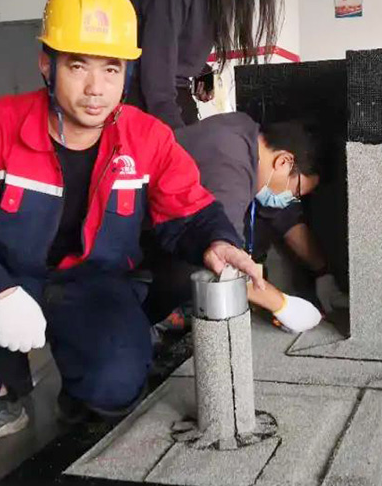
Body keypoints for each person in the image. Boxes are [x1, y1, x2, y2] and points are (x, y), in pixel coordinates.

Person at [0, 0, 260, 467]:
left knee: (115, 386)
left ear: (127, 72)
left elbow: (188, 208)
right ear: (46, 64)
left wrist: (218, 240)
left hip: (95, 282)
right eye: (77, 66)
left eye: (111, 69)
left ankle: (82, 386)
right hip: (5, 275)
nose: (96, 88)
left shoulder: (147, 138)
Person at [144, 112, 343, 331]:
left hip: (166, 226)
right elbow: (224, 263)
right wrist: (282, 305)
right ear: (284, 161)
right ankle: (153, 316)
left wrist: (323, 273)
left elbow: (285, 218)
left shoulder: (248, 135)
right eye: (295, 192)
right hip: (140, 242)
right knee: (198, 271)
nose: (291, 199)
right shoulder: (229, 172)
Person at [127, 0, 284, 128]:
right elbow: (157, 57)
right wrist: (175, 132)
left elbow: (182, 42)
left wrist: (202, 70)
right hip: (142, 90)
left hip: (171, 89)